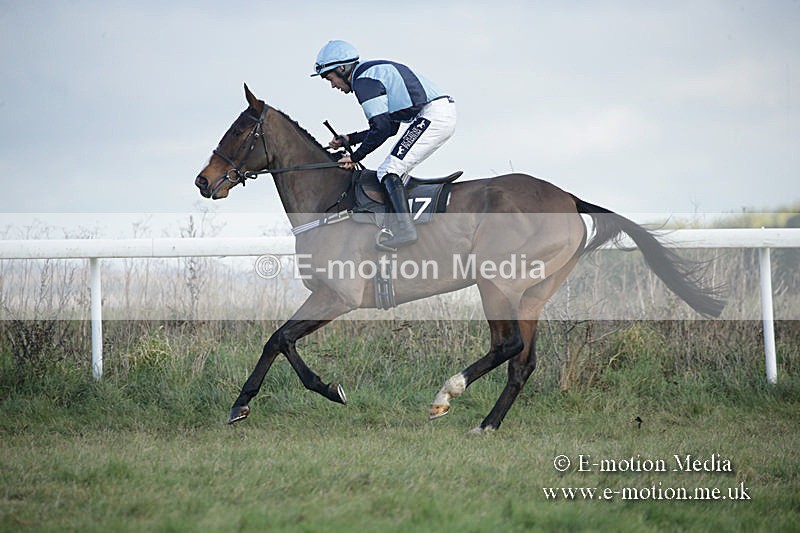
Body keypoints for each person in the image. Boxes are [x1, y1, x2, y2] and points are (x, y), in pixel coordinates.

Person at [311, 40, 456, 249]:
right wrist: (350, 139)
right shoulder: (370, 73)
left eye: (330, 78)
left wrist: (355, 157)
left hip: (434, 115)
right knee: (394, 170)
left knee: (389, 170)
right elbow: (389, 128)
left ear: (342, 68)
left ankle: (406, 231)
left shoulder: (363, 81)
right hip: (435, 113)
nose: (333, 85)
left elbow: (381, 128)